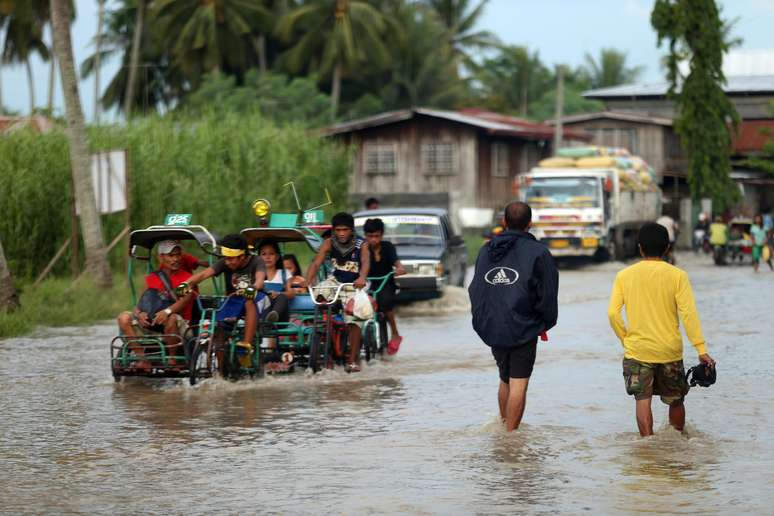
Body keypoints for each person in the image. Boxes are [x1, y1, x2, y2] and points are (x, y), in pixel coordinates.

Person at [608, 223, 716, 437]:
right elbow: (689, 315)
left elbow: (613, 314)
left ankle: (648, 446)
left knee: (642, 400)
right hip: (669, 351)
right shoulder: (678, 276)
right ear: (667, 248)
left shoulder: (624, 275)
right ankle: (676, 443)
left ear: (640, 248)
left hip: (637, 350)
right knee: (676, 400)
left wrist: (626, 339)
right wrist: (701, 349)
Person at [468, 201, 559, 432]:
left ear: (504, 222)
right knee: (519, 382)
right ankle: (511, 438)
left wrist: (483, 320)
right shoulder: (539, 252)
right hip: (524, 326)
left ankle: (503, 427)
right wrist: (544, 322)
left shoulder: (485, 250)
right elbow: (548, 293)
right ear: (530, 224)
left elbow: (475, 289)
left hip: (492, 326)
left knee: (505, 377)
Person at [177, 234, 269, 368]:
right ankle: (220, 371)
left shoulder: (257, 261)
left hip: (257, 297)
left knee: (249, 300)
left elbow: (260, 279)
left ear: (242, 256)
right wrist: (186, 284)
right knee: (219, 328)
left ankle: (246, 347)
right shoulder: (225, 262)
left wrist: (253, 287)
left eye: (231, 259)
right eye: (226, 259)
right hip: (234, 299)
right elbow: (203, 274)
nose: (227, 262)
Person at [306, 212, 370, 373]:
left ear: (351, 230)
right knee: (319, 292)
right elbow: (316, 263)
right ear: (334, 230)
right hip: (336, 281)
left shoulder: (361, 244)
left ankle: (352, 360)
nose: (341, 233)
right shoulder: (329, 243)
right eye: (338, 230)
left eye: (345, 230)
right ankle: (326, 326)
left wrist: (362, 277)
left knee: (354, 319)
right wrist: (307, 280)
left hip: (353, 284)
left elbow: (365, 261)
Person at [117, 240, 196, 370]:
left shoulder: (187, 278)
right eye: (171, 256)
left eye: (177, 255)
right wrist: (140, 314)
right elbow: (140, 304)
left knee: (171, 318)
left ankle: (172, 360)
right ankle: (142, 358)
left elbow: (184, 301)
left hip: (179, 324)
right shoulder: (152, 278)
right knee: (123, 317)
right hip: (152, 323)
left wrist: (167, 312)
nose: (175, 259)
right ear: (161, 257)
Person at [362, 218, 407, 354]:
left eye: (376, 236)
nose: (373, 239)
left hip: (386, 283)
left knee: (385, 302)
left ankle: (394, 333)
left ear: (381, 235)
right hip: (369, 284)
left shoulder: (388, 247)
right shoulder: (363, 248)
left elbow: (397, 264)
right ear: (365, 236)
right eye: (370, 236)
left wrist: (399, 269)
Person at [257, 240, 294, 371]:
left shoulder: (284, 274)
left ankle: (273, 317)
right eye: (264, 254)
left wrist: (278, 293)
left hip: (280, 316)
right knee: (262, 298)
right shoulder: (257, 275)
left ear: (277, 257)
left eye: (271, 254)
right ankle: (266, 322)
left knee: (283, 296)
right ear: (259, 257)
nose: (267, 257)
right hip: (263, 311)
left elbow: (291, 293)